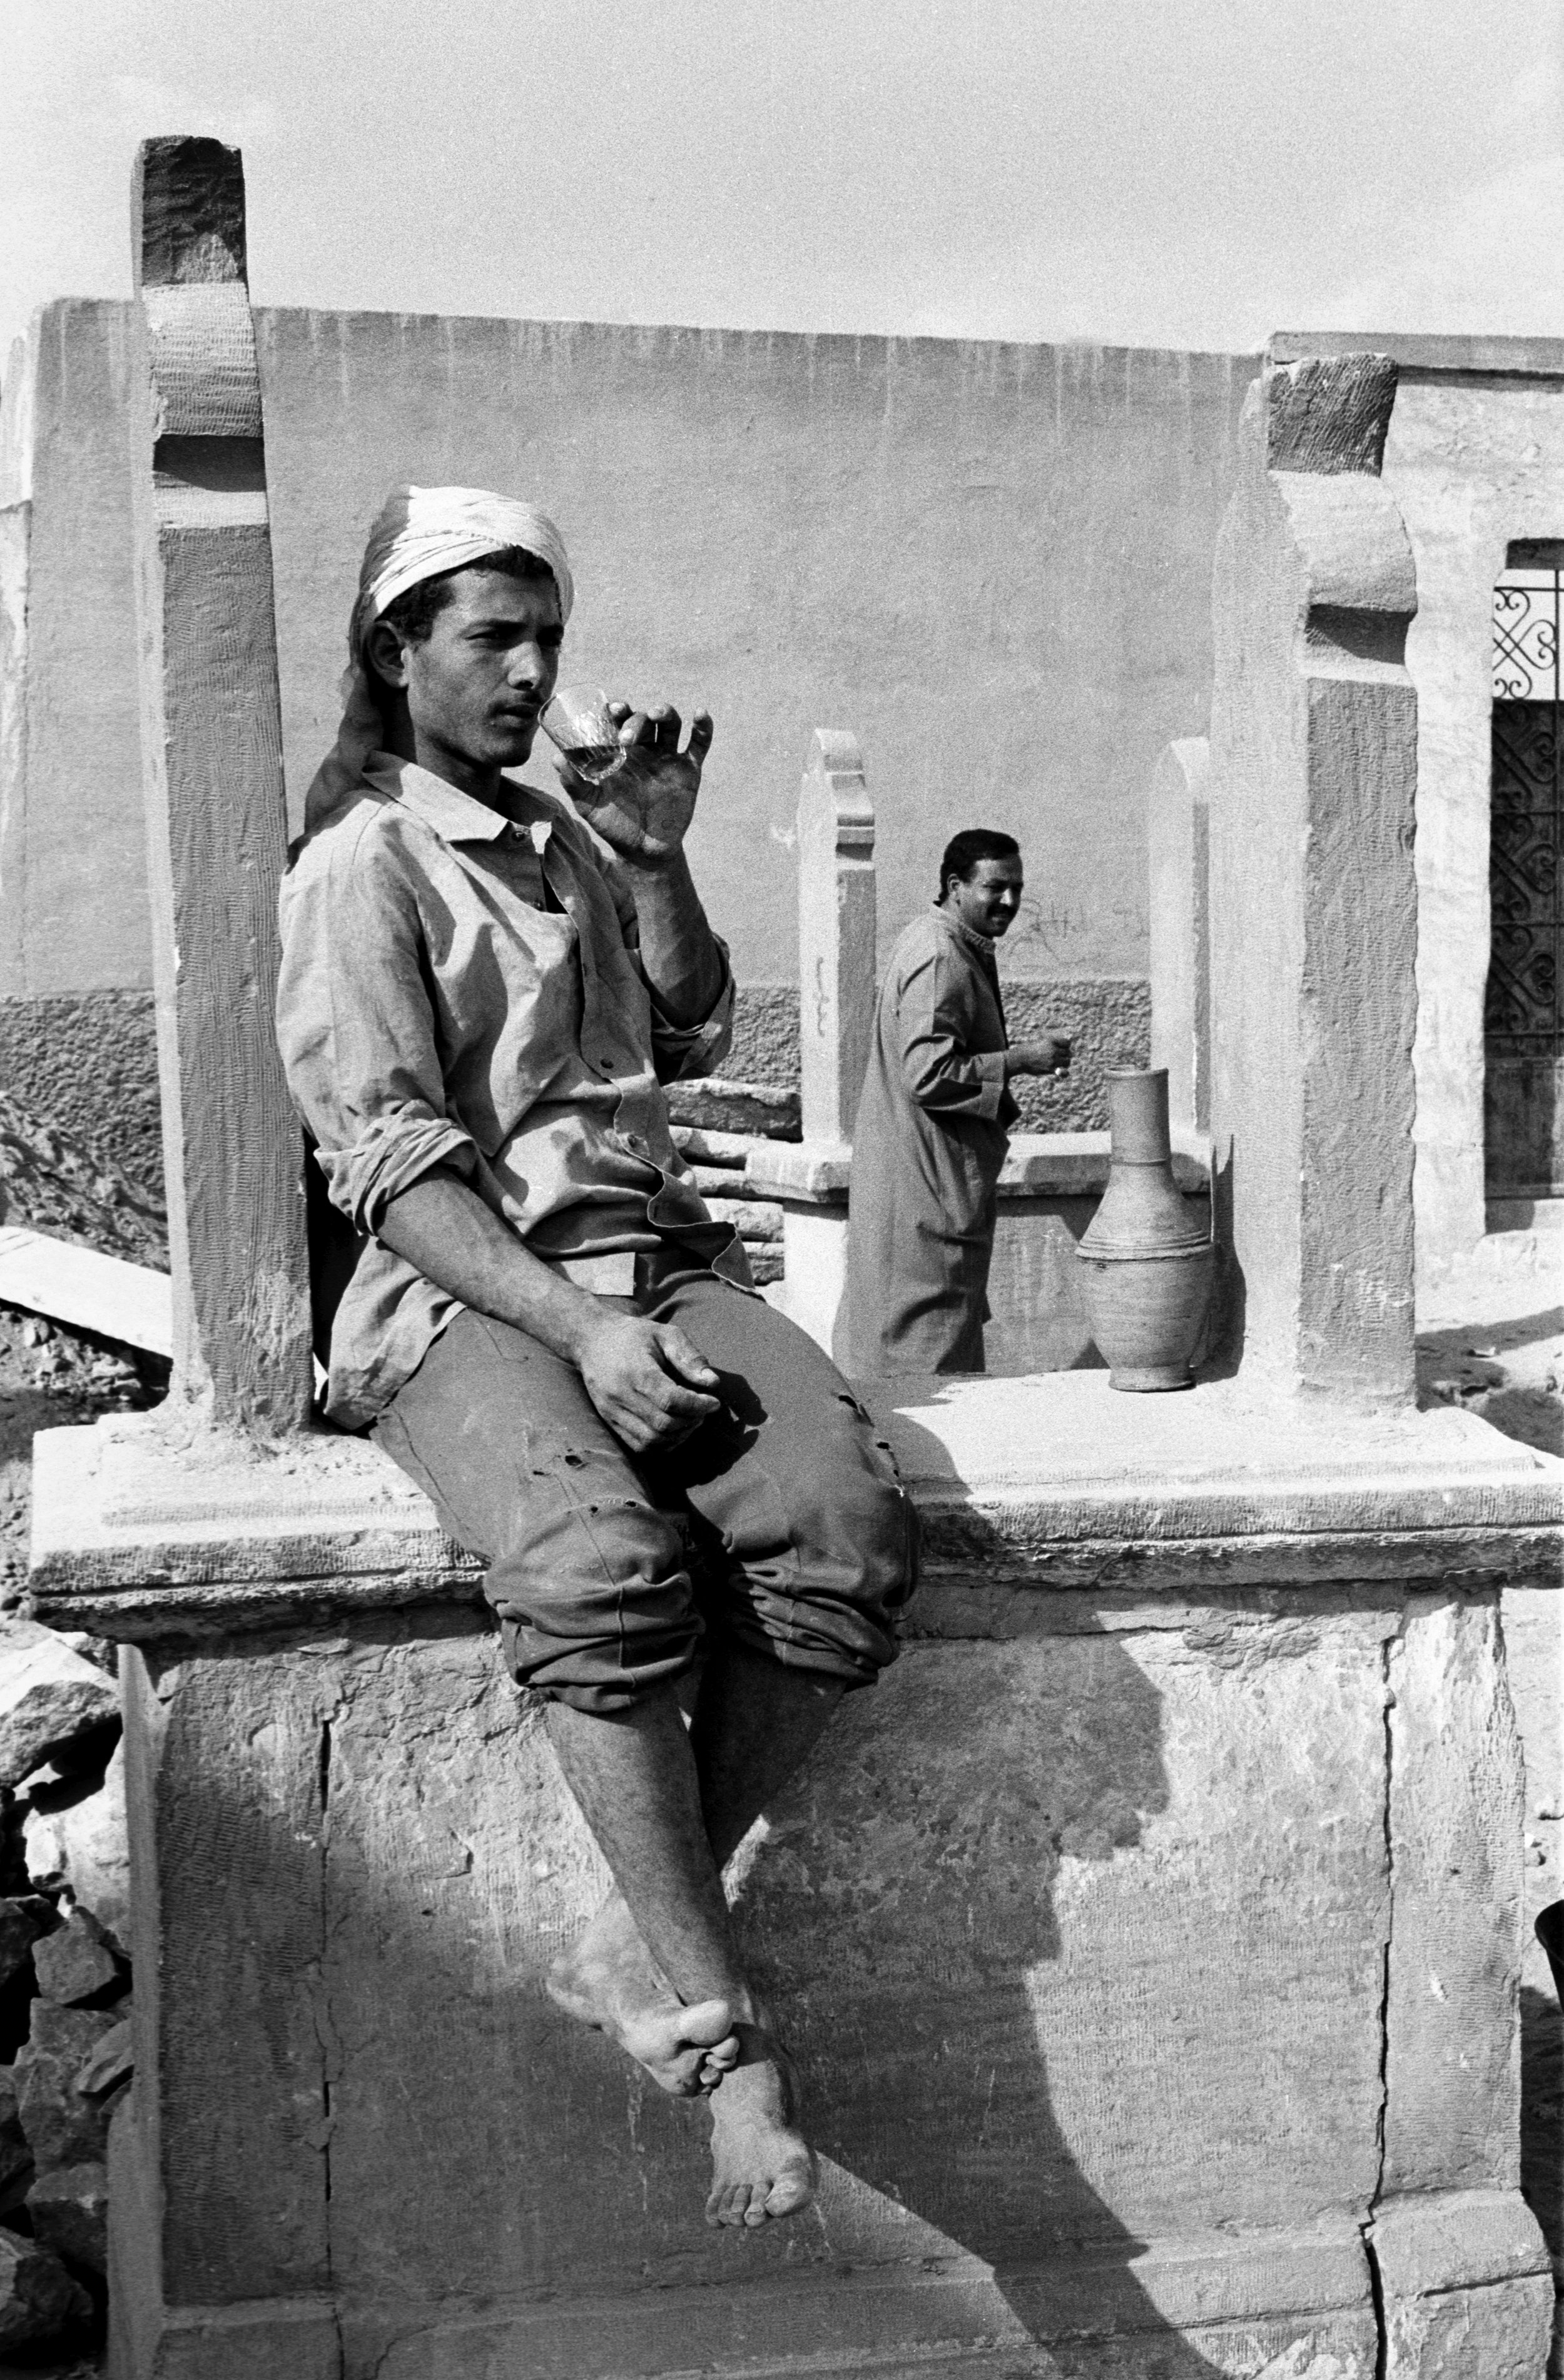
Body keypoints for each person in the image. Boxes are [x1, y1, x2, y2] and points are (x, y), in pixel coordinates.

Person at [276, 485, 916, 2232]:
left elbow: (695, 1019)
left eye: (545, 633)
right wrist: (581, 1332)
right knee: (599, 1563)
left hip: (658, 1261)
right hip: (475, 1296)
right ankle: (726, 2036)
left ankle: (641, 1930)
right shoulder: (363, 868)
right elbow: (391, 1165)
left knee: (843, 1531)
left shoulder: (566, 835)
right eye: (490, 635)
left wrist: (651, 851)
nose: (530, 667)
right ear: (395, 651)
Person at [843, 829, 1071, 1377]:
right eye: (995, 887)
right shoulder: (942, 957)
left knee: (920, 1344)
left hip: (921, 1188)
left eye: (1017, 888)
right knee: (927, 1362)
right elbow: (930, 1073)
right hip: (927, 1195)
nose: (1010, 902)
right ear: (955, 886)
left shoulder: (944, 942)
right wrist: (1020, 1060)